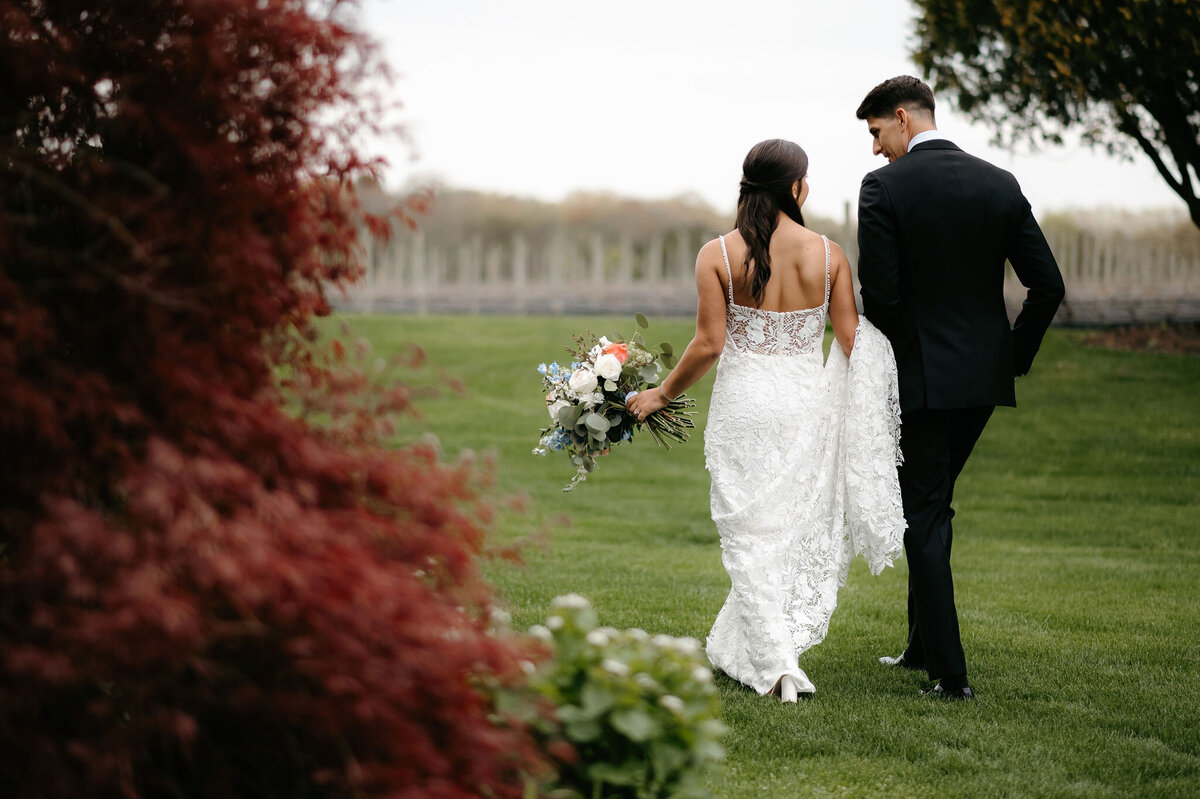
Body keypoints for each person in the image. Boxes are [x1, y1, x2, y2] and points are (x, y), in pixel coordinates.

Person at [628, 139, 905, 702]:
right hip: (806, 403)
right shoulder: (829, 255)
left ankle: (777, 665)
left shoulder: (717, 253)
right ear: (797, 187)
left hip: (745, 405)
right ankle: (765, 651)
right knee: (782, 529)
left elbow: (708, 345)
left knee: (750, 533)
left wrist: (661, 393)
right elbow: (852, 341)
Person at [855, 76, 1065, 700]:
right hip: (981, 381)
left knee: (921, 515)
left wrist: (895, 367)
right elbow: (1047, 285)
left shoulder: (883, 188)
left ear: (902, 118)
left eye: (875, 133)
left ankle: (951, 676)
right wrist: (1012, 357)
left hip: (920, 379)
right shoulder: (999, 183)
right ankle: (923, 646)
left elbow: (883, 298)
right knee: (934, 503)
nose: (874, 150)